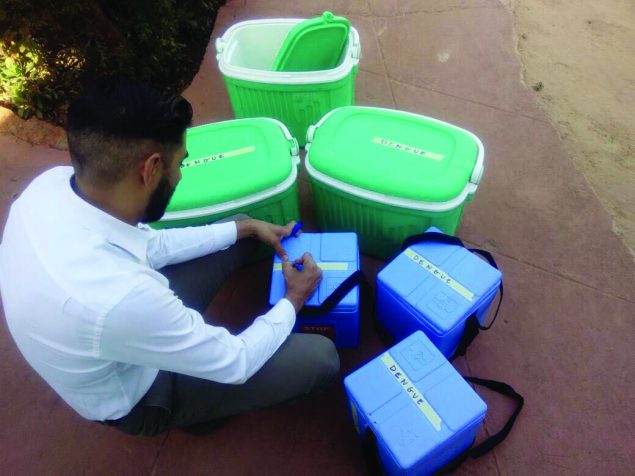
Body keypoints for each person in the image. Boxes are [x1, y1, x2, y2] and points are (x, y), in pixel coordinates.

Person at [0, 78, 339, 437]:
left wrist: (245, 228)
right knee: (319, 359)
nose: (180, 175)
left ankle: (196, 359)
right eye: (180, 163)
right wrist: (294, 298)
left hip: (120, 328)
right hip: (140, 396)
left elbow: (152, 246)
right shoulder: (119, 299)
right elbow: (237, 361)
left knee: (238, 229)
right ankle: (191, 410)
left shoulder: (51, 186)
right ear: (150, 170)